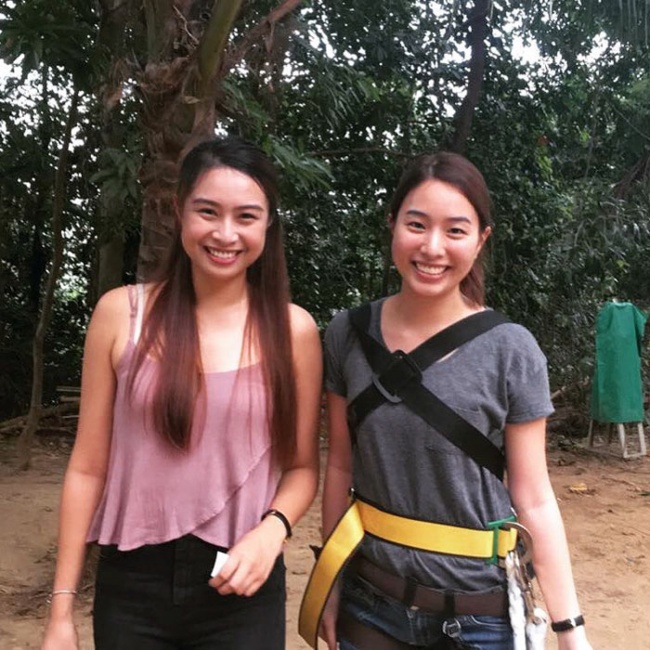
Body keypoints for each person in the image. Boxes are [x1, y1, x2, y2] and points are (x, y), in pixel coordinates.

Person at [41, 136, 322, 650]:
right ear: (179, 212)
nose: (225, 233)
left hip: (243, 587)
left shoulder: (293, 330)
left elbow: (303, 467)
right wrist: (61, 611)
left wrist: (273, 531)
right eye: (207, 211)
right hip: (132, 589)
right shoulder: (120, 315)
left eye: (246, 217)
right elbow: (86, 468)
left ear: (267, 225)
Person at [304, 152, 592, 650]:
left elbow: (534, 497)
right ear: (393, 225)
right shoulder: (347, 334)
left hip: (479, 617)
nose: (432, 247)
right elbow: (340, 468)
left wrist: (571, 631)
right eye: (417, 224)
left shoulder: (511, 349)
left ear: (481, 239)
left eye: (455, 230)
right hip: (369, 606)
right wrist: (329, 583)